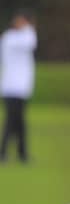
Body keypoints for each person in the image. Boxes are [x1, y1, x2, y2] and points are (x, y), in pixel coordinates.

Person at [0, 10, 37, 163]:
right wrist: (29, 26)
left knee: (20, 121)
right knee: (11, 121)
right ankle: (3, 152)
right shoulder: (10, 37)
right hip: (11, 87)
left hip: (21, 88)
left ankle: (22, 153)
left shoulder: (15, 37)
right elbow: (31, 41)